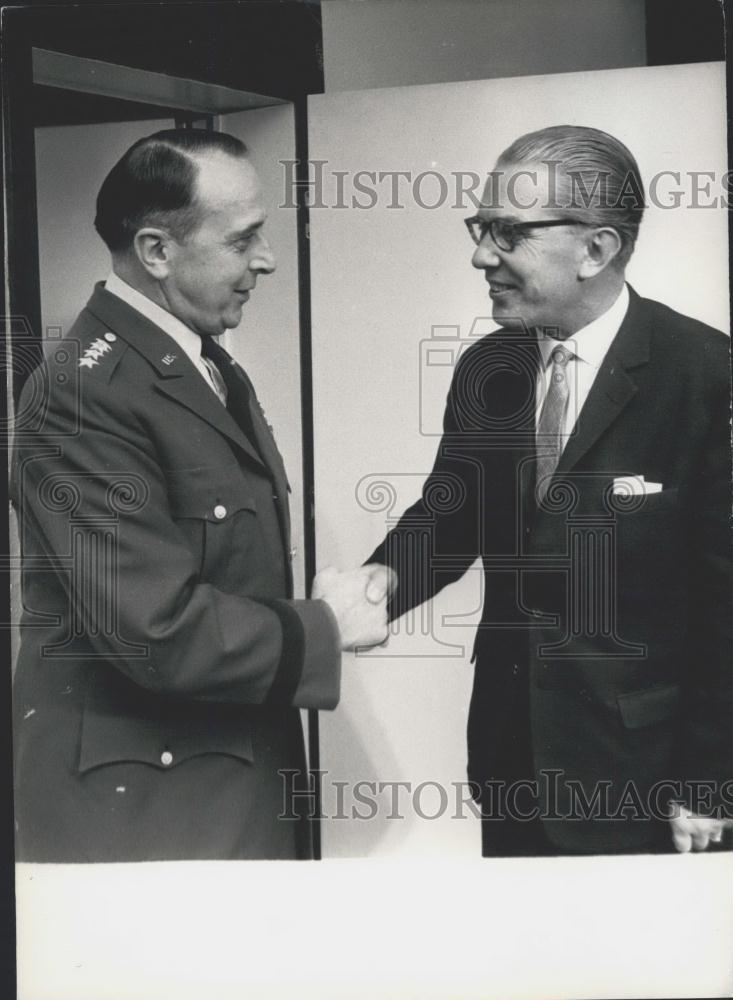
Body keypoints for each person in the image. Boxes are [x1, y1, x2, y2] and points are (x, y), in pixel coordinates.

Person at [11, 128, 390, 862]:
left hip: (219, 779)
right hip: (153, 812)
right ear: (156, 251)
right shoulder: (80, 397)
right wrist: (323, 627)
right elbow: (156, 630)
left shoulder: (199, 366)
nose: (266, 260)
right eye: (243, 239)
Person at [368, 125, 733, 856]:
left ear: (595, 250)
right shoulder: (487, 368)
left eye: (508, 233)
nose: (480, 255)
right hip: (512, 758)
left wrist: (709, 784)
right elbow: (449, 516)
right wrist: (374, 584)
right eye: (480, 228)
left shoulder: (703, 374)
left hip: (648, 782)